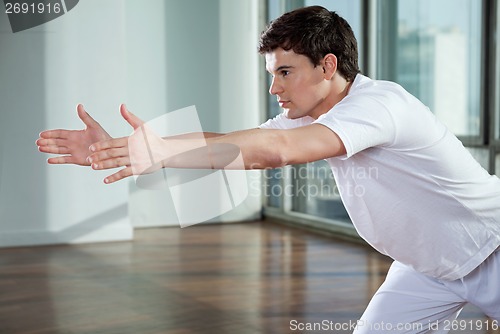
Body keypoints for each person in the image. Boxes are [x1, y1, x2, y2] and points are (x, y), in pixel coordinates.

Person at [36, 5, 500, 333]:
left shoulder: (378, 105)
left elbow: (275, 151)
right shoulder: (312, 113)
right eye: (270, 74)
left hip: (490, 250)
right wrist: (141, 146)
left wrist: (157, 152)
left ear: (328, 66)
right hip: (425, 266)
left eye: (285, 72)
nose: (274, 87)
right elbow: (233, 143)